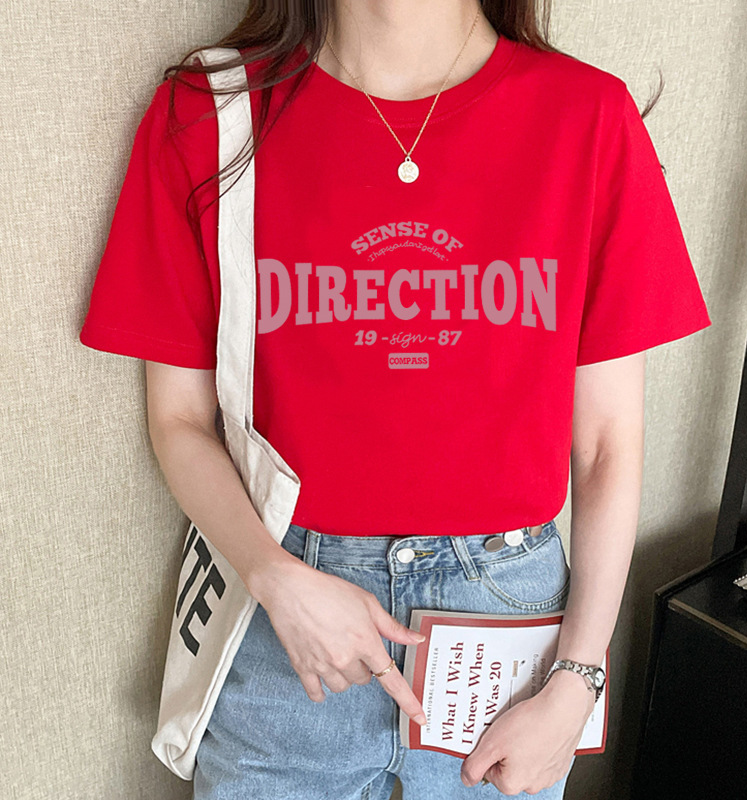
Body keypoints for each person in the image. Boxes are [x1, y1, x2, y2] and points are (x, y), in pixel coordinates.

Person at [79, 0, 713, 797]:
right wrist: (275, 577)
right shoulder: (211, 114)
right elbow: (177, 420)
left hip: (506, 638)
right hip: (286, 624)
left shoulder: (585, 117)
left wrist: (578, 677)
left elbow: (606, 445)